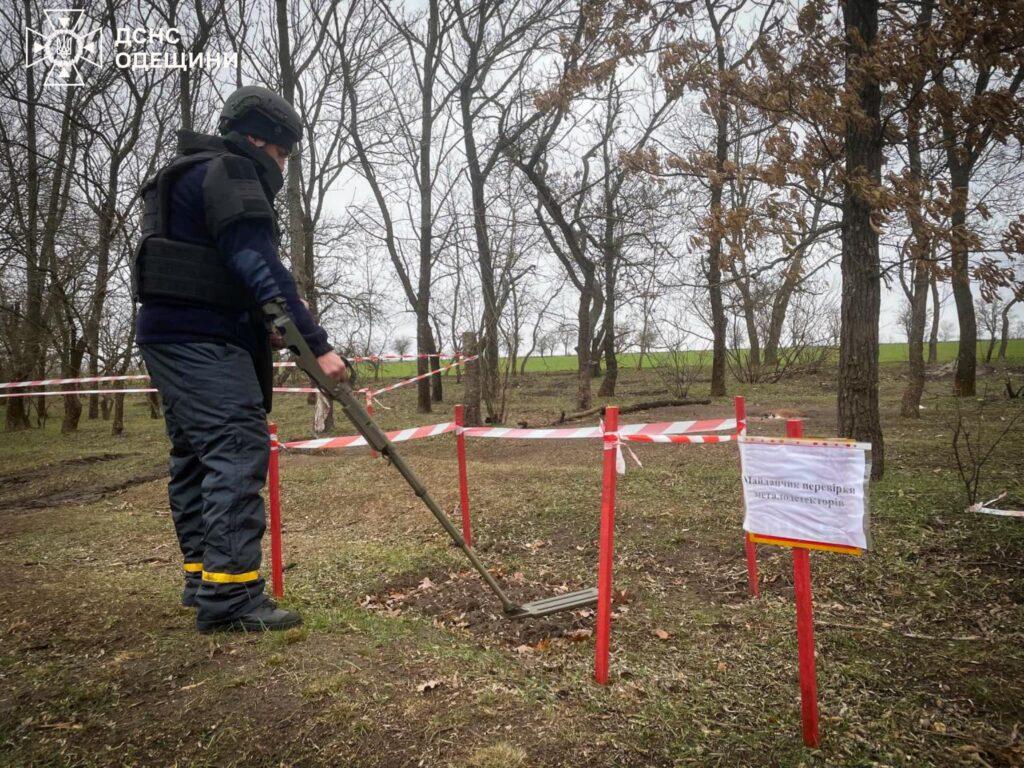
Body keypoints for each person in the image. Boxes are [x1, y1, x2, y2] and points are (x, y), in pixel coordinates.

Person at [132, 85, 348, 633]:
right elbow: (258, 265)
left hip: (171, 336)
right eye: (281, 153)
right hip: (202, 341)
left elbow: (210, 273)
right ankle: (229, 600)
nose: (281, 164)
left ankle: (204, 578)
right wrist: (316, 344)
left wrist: (260, 326)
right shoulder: (231, 173)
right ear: (258, 139)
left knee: (196, 456)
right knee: (233, 448)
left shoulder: (184, 176)